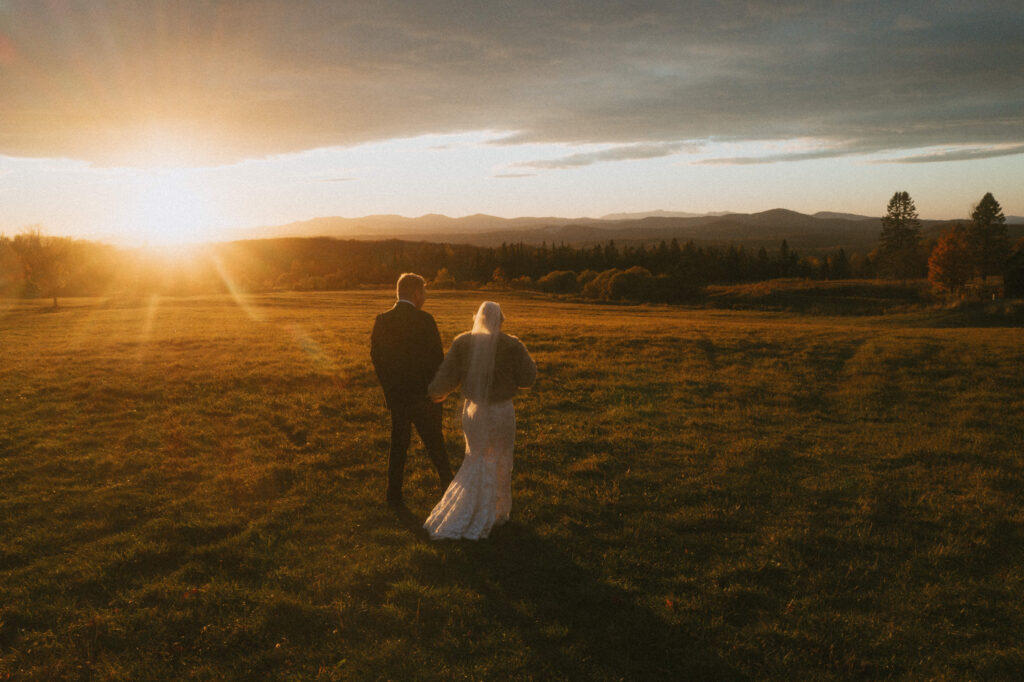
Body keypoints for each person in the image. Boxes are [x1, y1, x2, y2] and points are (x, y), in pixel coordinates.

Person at [424, 301, 537, 540]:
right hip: (501, 412)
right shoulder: (512, 345)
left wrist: (436, 391)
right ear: (501, 321)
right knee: (501, 458)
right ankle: (496, 512)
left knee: (475, 456)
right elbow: (529, 378)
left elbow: (447, 374)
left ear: (477, 318)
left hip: (473, 411)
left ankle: (470, 509)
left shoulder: (463, 342)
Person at [370, 273, 453, 507]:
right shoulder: (425, 320)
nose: (425, 297)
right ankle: (449, 487)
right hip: (425, 396)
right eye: (424, 292)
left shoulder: (383, 320)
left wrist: (390, 390)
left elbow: (377, 358)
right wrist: (437, 390)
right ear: (416, 293)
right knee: (436, 444)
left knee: (399, 445)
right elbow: (438, 360)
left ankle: (393, 495)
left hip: (398, 397)